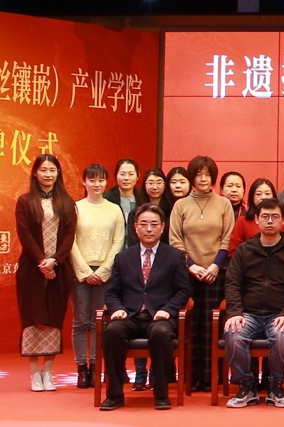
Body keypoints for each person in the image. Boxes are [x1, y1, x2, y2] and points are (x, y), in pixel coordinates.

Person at [99, 204, 192, 411]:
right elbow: (112, 292)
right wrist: (116, 308)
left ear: (162, 227)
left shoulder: (175, 256)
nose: (149, 229)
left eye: (154, 224)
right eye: (144, 224)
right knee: (112, 331)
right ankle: (114, 394)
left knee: (161, 334)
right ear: (135, 227)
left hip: (160, 316)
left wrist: (168, 309)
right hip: (130, 315)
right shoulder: (123, 257)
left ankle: (161, 394)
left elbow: (183, 291)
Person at [222, 198, 284, 408]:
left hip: (279, 314)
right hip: (248, 314)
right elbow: (232, 284)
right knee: (233, 334)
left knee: (281, 336)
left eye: (275, 217)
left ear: (283, 220)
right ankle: (247, 386)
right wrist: (235, 312)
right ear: (257, 220)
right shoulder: (244, 250)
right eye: (265, 217)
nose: (270, 221)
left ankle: (275, 387)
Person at [170, 155, 236, 393]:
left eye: (208, 175)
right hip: (188, 273)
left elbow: (228, 237)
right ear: (192, 177)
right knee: (191, 326)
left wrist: (216, 265)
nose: (203, 179)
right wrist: (191, 265)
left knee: (213, 326)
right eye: (199, 175)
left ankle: (213, 377)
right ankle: (192, 377)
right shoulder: (181, 205)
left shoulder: (224, 204)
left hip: (216, 273)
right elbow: (175, 240)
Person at [14, 154, 78, 392]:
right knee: (32, 319)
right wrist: (42, 262)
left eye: (52, 170)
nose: (48, 174)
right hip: (31, 269)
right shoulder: (25, 201)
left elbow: (70, 236)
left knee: (53, 319)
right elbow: (24, 234)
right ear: (35, 173)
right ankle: (34, 373)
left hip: (59, 269)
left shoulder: (66, 202)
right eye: (43, 170)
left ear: (58, 173)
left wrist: (55, 261)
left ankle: (48, 372)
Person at [70, 164, 126, 389]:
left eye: (101, 180)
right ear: (84, 182)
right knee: (80, 322)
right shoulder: (75, 208)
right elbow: (70, 241)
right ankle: (81, 369)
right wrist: (84, 271)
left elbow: (118, 242)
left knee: (98, 322)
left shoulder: (114, 210)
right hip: (80, 273)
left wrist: (103, 271)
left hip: (105, 272)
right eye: (92, 180)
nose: (96, 184)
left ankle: (95, 367)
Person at [133, 167, 172, 390]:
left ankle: (157, 375)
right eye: (150, 182)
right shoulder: (137, 211)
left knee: (159, 328)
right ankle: (139, 374)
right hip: (138, 270)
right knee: (127, 319)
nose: (149, 228)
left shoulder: (171, 208)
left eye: (159, 182)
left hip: (161, 270)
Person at [230, 178, 284, 257]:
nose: (263, 197)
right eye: (258, 194)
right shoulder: (243, 221)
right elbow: (234, 251)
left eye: (267, 193)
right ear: (252, 198)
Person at [104, 159, 146, 249]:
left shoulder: (144, 199)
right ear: (116, 176)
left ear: (138, 176)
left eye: (131, 174)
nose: (126, 178)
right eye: (122, 174)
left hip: (137, 249)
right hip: (111, 249)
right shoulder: (106, 199)